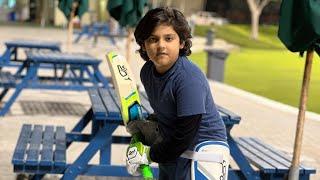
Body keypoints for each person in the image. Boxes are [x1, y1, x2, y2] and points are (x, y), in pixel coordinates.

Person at [125, 7, 228, 180]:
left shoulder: (188, 78)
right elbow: (167, 111)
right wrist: (147, 125)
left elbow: (185, 135)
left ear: (181, 43)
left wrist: (149, 155)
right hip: (173, 150)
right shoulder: (147, 72)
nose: (161, 45)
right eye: (153, 39)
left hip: (202, 154)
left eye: (169, 38)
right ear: (143, 44)